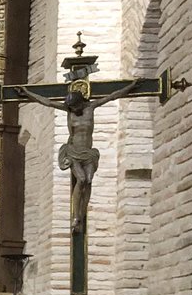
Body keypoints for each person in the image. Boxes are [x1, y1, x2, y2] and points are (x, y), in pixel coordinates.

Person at [13, 81, 136, 231]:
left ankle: (81, 216)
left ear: (81, 102)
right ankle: (76, 217)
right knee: (81, 179)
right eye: (71, 107)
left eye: (75, 107)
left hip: (88, 153)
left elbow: (113, 96)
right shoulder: (69, 110)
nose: (73, 110)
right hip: (73, 152)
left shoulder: (91, 107)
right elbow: (47, 102)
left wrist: (131, 86)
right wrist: (27, 93)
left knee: (89, 180)